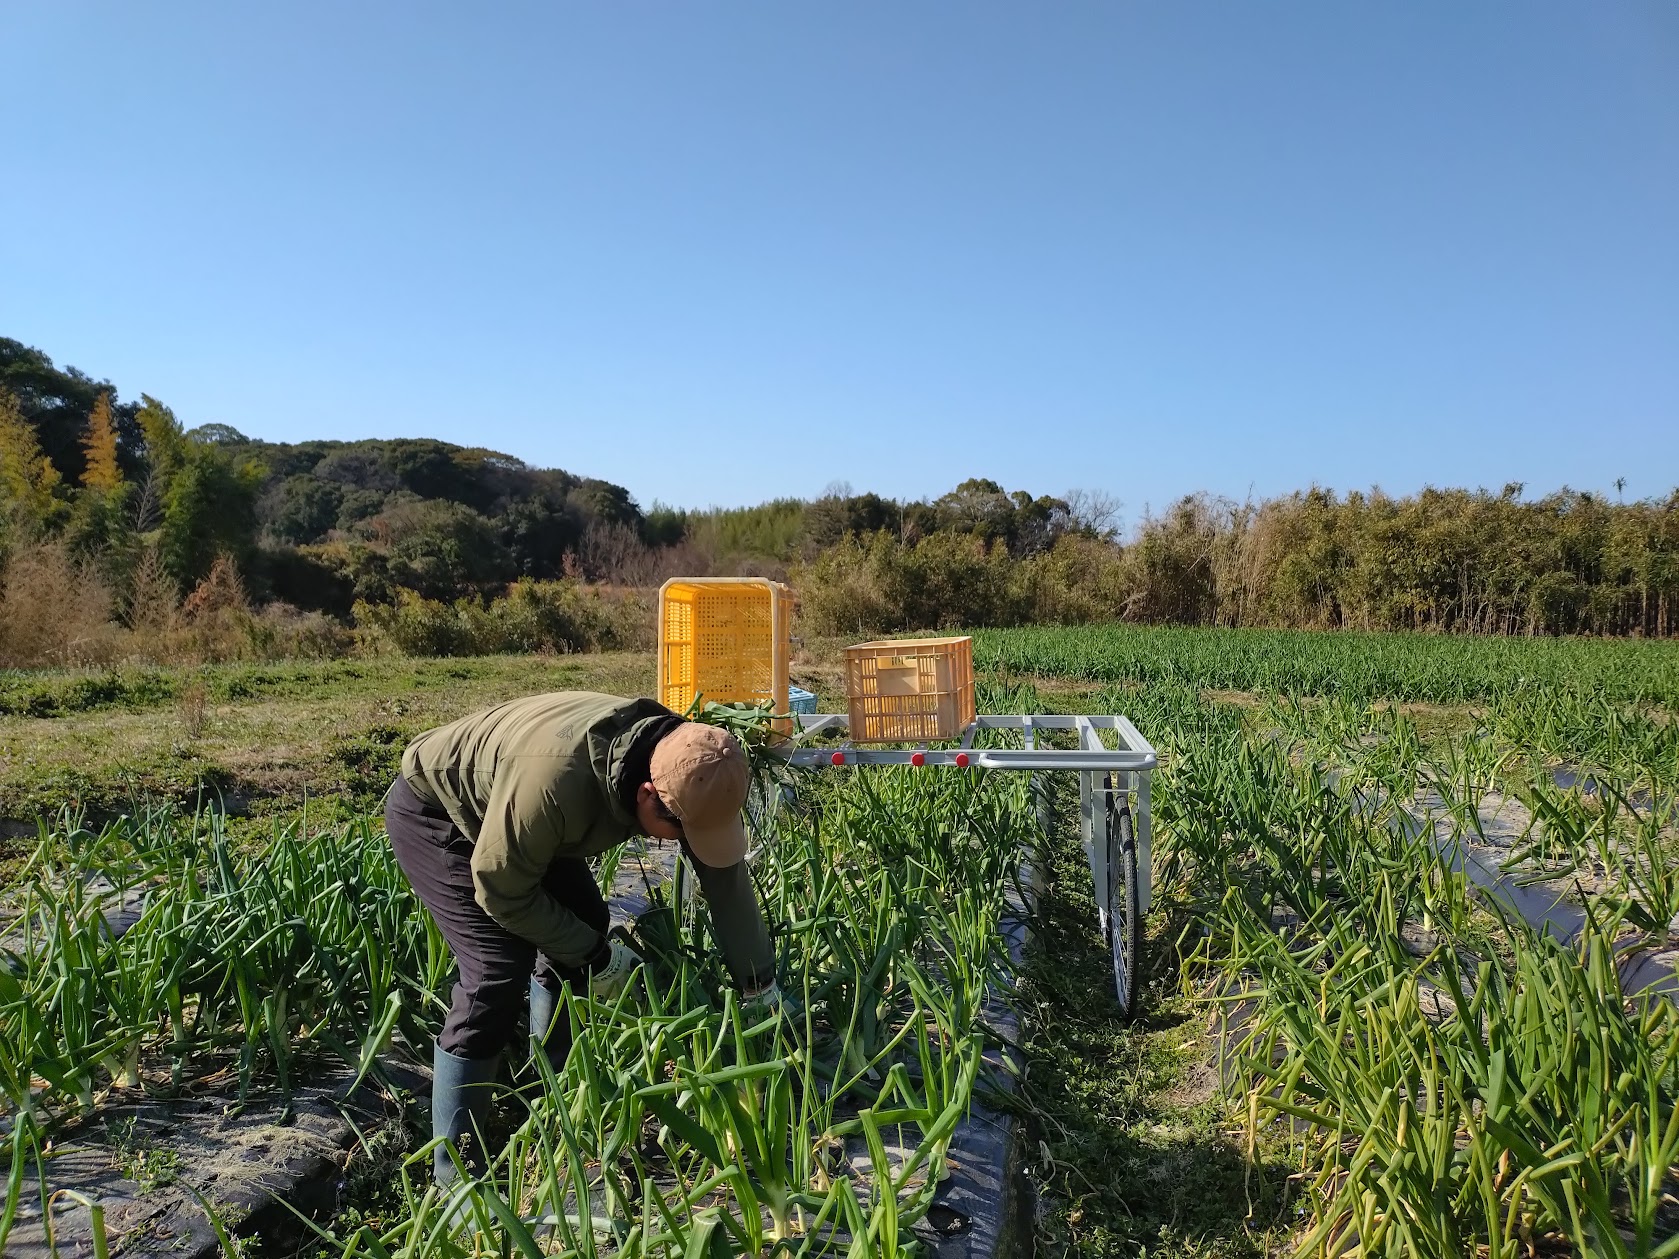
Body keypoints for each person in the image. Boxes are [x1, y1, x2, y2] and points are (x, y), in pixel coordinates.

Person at [384, 691, 781, 1183]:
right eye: (678, 832)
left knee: (584, 919)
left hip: (521, 806)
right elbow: (503, 891)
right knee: (495, 971)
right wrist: (597, 957)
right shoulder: (554, 788)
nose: (683, 843)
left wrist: (759, 983)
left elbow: (724, 878)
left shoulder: (695, 765)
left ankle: (549, 1089)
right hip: (442, 810)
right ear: (646, 795)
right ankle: (455, 1175)